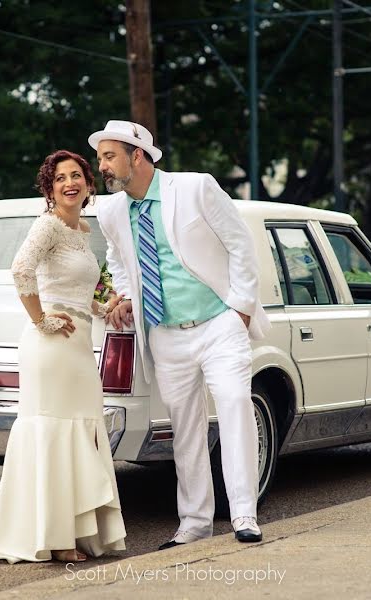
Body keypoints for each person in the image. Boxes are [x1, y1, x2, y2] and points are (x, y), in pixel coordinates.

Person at [89, 120, 272, 550]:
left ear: (138, 155)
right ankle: (194, 522)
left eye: (109, 156)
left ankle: (244, 514)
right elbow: (119, 259)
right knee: (185, 430)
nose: (103, 166)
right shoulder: (112, 210)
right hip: (165, 335)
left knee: (234, 406)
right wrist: (127, 296)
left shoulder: (195, 188)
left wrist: (240, 311)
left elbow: (240, 244)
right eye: (100, 159)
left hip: (218, 323)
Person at [0, 150, 126, 563]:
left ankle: (79, 531)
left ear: (88, 183)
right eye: (61, 177)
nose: (70, 182)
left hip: (79, 344)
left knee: (80, 431)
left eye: (77, 175)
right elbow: (21, 270)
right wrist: (41, 319)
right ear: (50, 188)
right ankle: (54, 535)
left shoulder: (81, 229)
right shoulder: (47, 225)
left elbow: (80, 291)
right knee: (54, 432)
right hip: (51, 347)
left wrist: (105, 304)